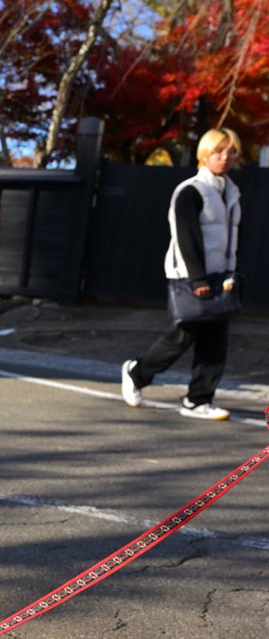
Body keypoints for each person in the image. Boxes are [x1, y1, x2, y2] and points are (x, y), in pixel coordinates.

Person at [121, 129, 242, 421]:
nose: (224, 158)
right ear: (204, 154)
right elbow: (186, 237)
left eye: (231, 152)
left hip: (222, 275)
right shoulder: (190, 191)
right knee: (181, 337)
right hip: (190, 276)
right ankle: (137, 373)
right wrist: (197, 279)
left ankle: (198, 399)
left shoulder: (231, 191)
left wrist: (231, 272)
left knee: (216, 340)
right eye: (218, 151)